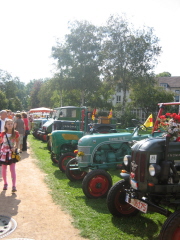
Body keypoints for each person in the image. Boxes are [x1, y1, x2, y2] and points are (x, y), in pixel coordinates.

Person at [0, 119, 19, 192]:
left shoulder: (16, 133)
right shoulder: (3, 133)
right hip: (4, 152)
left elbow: (17, 142)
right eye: (8, 124)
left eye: (11, 124)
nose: (10, 125)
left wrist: (15, 147)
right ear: (5, 125)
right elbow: (0, 141)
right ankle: (5, 183)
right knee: (4, 169)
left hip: (12, 152)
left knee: (12, 169)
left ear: (13, 125)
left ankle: (14, 186)